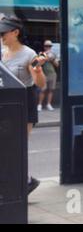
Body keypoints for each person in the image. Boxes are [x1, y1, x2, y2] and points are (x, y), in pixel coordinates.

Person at [0, 15, 47, 194]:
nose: (1, 37)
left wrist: (37, 70)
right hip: (6, 102)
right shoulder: (2, 52)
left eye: (3, 33)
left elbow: (40, 83)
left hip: (24, 103)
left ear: (15, 32)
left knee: (18, 145)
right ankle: (21, 180)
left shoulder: (29, 54)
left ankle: (25, 181)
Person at [38, 40, 59, 111]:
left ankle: (48, 104)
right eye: (46, 46)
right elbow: (35, 65)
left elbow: (57, 65)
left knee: (51, 90)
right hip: (43, 74)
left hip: (52, 74)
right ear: (44, 47)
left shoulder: (54, 54)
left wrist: (52, 59)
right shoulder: (41, 54)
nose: (48, 47)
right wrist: (42, 58)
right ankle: (39, 104)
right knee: (42, 90)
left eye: (49, 46)